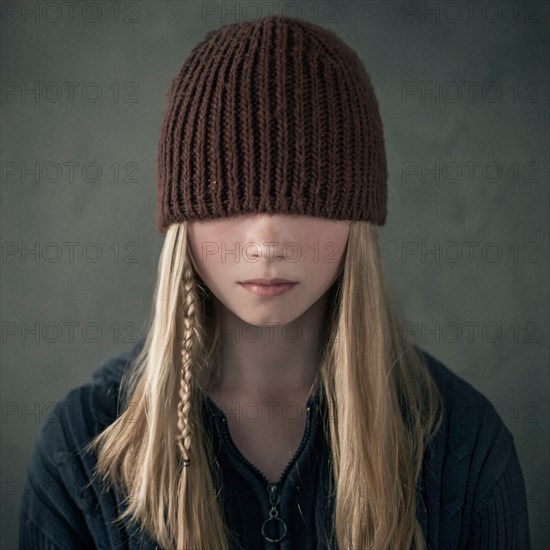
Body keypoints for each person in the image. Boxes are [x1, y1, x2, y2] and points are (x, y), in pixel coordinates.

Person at [19, 14, 530, 550]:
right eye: (230, 199)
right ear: (183, 223)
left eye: (305, 196)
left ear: (356, 218)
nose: (267, 242)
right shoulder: (81, 451)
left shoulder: (463, 447)